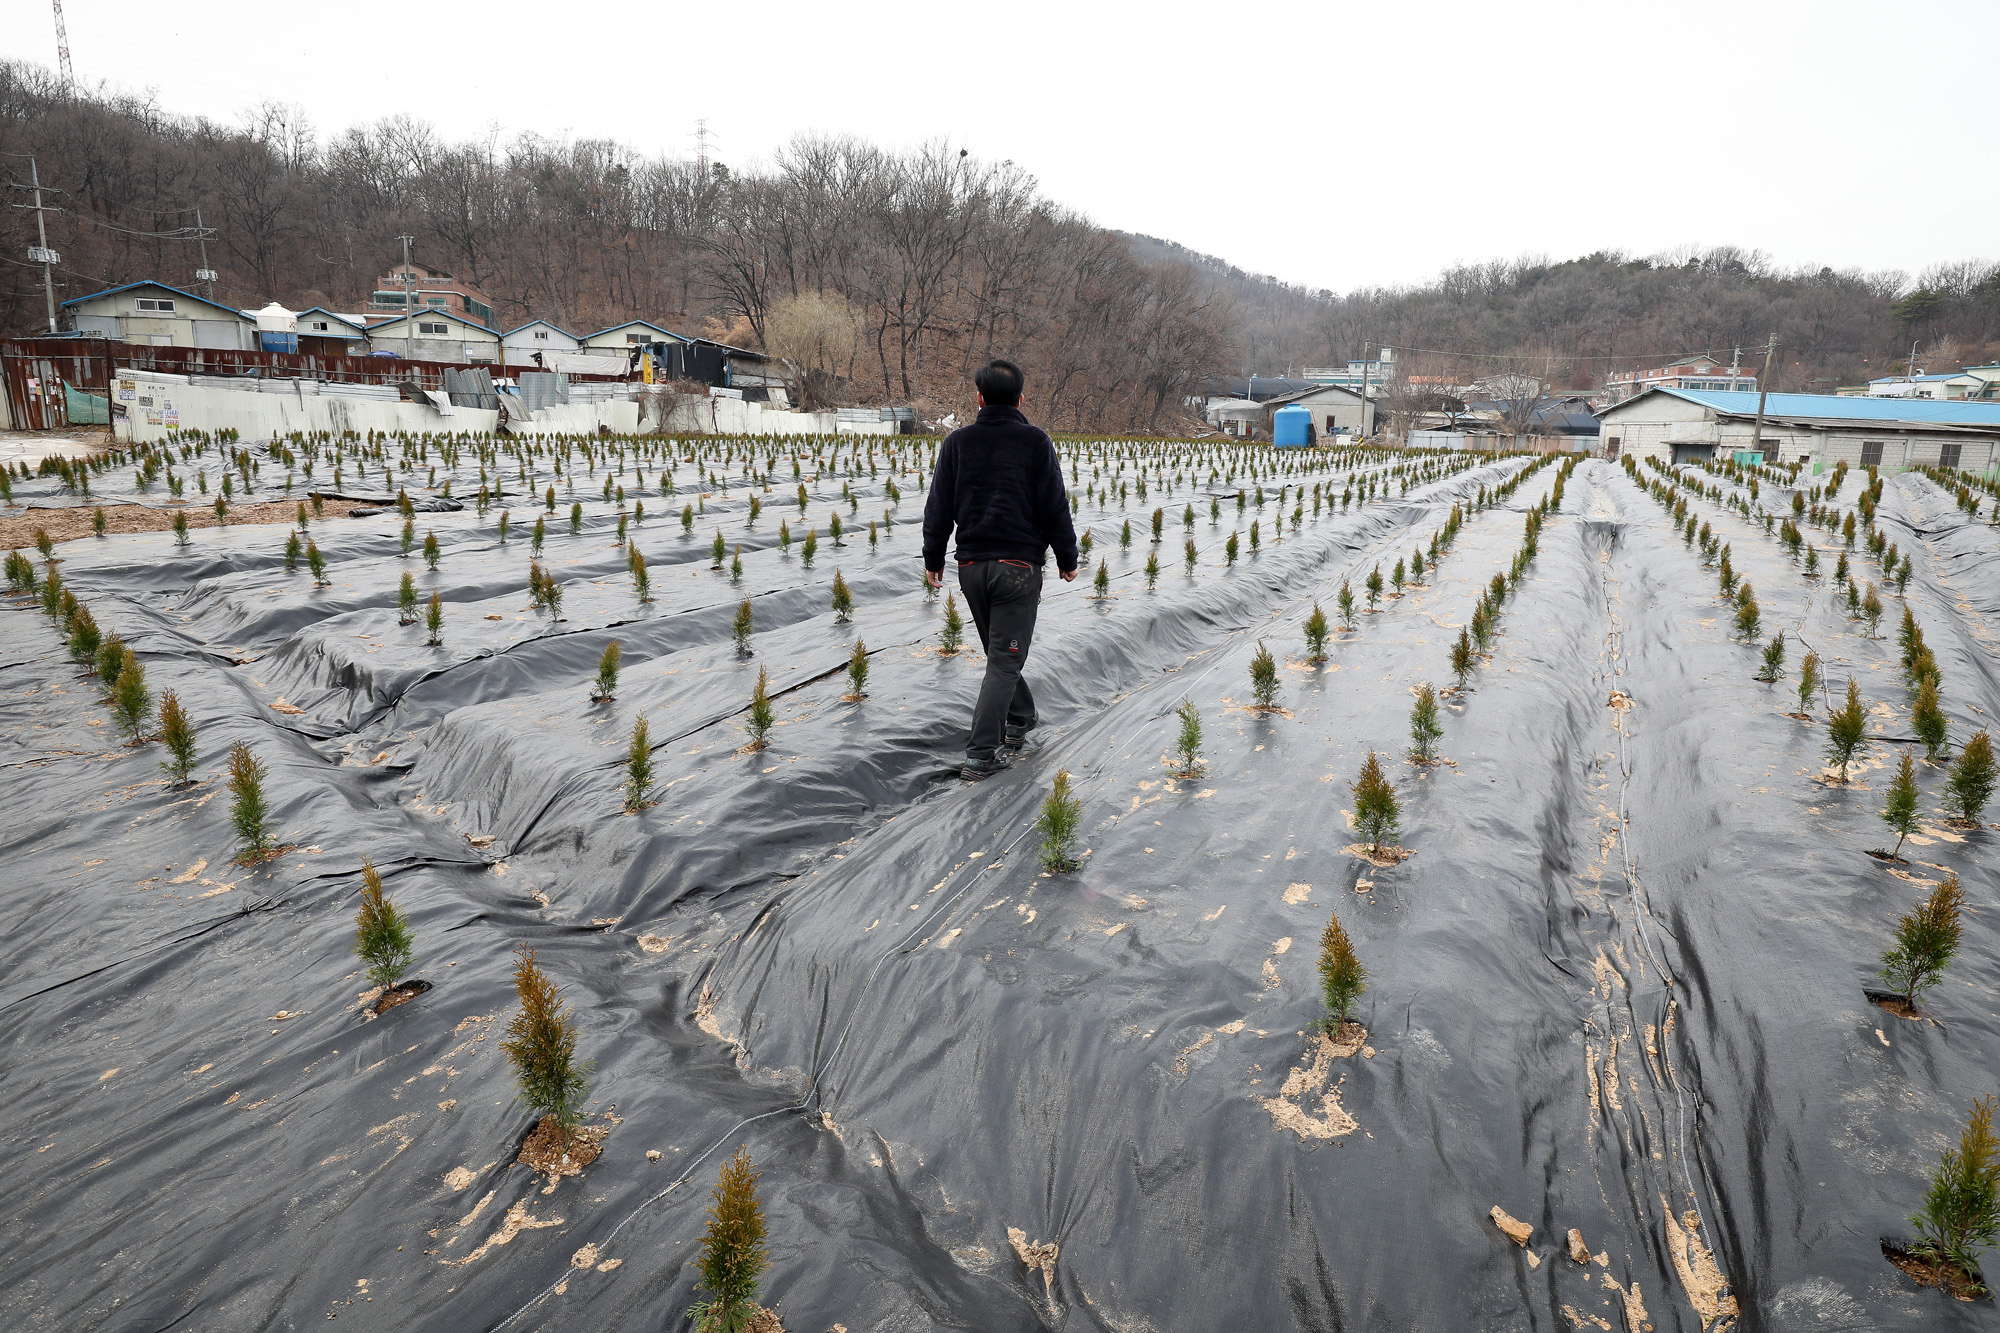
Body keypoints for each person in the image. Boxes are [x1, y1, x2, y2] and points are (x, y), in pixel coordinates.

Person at [923, 359, 1078, 779]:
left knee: (1001, 655)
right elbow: (1053, 505)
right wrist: (1068, 558)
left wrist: (933, 559)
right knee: (1004, 661)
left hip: (971, 567)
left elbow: (938, 507)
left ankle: (1019, 719)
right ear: (1021, 398)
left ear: (979, 397)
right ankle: (980, 754)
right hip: (1016, 569)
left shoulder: (957, 443)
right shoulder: (1034, 442)